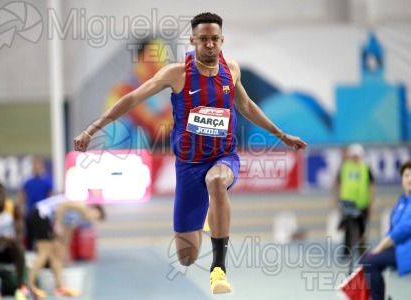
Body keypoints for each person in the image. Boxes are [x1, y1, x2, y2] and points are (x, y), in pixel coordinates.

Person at [73, 12, 307, 294]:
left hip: (223, 158)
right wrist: (91, 129)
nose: (209, 44)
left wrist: (281, 134)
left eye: (215, 39)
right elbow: (132, 98)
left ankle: (219, 268)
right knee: (187, 256)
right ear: (193, 40)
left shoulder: (230, 71)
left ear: (222, 40)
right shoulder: (177, 74)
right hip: (188, 167)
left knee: (217, 181)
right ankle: (209, 210)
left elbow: (245, 106)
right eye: (203, 39)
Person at [29, 194, 105, 298]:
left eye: (95, 219)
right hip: (41, 214)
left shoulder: (77, 220)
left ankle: (59, 286)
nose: (91, 218)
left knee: (56, 254)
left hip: (48, 221)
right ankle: (29, 285)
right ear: (92, 209)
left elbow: (65, 240)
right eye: (94, 215)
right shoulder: (81, 206)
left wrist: (63, 255)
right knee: (45, 251)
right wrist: (57, 224)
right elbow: (63, 206)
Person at [360, 160, 411, 300]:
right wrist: (381, 246)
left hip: (406, 249)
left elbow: (403, 229)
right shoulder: (403, 201)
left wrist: (381, 246)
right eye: (407, 175)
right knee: (366, 261)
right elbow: (393, 228)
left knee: (370, 263)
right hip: (401, 247)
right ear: (401, 179)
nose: (410, 179)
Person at [333, 143, 375, 257]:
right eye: (353, 154)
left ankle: (362, 252)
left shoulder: (365, 167)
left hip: (362, 203)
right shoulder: (345, 167)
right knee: (348, 228)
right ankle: (346, 252)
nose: (355, 157)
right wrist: (337, 201)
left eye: (357, 154)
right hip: (348, 204)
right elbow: (337, 184)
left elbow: (371, 186)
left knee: (362, 228)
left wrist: (371, 203)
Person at [19, 156, 53, 250]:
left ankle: (42, 253)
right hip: (30, 212)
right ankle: (30, 251)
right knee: (30, 234)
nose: (36, 167)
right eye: (35, 165)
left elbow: (51, 195)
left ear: (42, 167)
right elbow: (23, 195)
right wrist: (21, 209)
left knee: (42, 236)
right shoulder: (28, 181)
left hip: (43, 214)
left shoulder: (47, 181)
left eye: (38, 165)